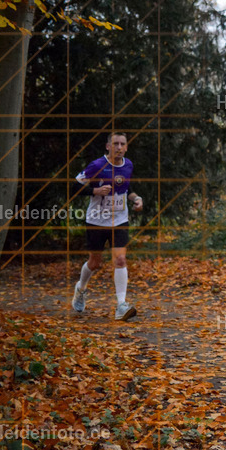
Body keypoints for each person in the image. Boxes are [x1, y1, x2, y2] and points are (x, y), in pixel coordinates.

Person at [70, 132, 143, 320]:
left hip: (119, 220)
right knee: (94, 263)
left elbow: (128, 189)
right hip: (96, 220)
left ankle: (121, 305)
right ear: (108, 146)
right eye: (115, 144)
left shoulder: (128, 165)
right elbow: (73, 187)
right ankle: (81, 289)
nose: (119, 147)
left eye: (122, 144)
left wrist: (136, 199)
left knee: (120, 260)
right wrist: (95, 190)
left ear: (126, 147)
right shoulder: (97, 166)